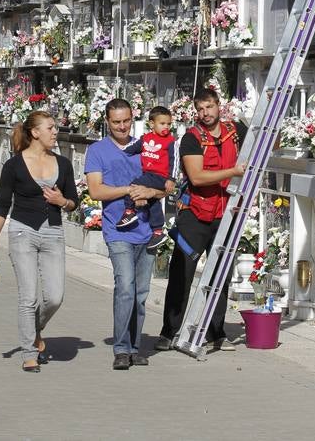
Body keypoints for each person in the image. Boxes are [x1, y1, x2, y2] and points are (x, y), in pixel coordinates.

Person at [0, 111, 79, 372]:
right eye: (50, 128)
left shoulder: (64, 163)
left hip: (53, 233)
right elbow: (3, 205)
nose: (55, 132)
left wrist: (62, 202)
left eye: (55, 127)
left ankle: (36, 329)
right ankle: (28, 353)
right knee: (28, 297)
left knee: (55, 296)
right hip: (22, 232)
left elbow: (73, 202)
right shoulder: (13, 165)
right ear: (35, 132)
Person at [155, 87, 247, 352]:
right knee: (181, 272)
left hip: (226, 213)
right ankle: (169, 331)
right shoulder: (191, 139)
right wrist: (233, 171)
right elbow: (197, 177)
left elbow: (269, 145)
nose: (205, 113)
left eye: (209, 107)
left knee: (221, 275)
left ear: (219, 106)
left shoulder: (236, 131)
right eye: (200, 109)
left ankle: (216, 332)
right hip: (195, 213)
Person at [85, 98, 165, 370]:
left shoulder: (145, 148)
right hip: (117, 229)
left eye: (126, 121)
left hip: (147, 230)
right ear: (107, 121)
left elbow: (165, 184)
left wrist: (151, 192)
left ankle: (134, 346)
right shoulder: (97, 151)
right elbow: (96, 191)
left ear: (134, 118)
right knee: (125, 288)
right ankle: (120, 348)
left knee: (141, 293)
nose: (122, 126)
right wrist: (130, 190)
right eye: (116, 121)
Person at [116, 105, 175, 250]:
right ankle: (158, 231)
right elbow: (133, 148)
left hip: (159, 176)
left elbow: (175, 160)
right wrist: (121, 151)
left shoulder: (171, 141)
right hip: (148, 175)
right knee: (153, 203)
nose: (166, 127)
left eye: (168, 124)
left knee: (134, 185)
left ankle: (129, 211)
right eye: (162, 124)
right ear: (152, 124)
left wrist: (171, 179)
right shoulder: (146, 138)